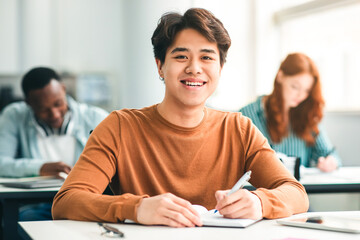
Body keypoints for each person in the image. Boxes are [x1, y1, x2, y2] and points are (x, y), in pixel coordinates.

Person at [52, 8, 308, 227]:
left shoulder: (239, 128)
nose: (194, 68)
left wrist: (259, 202)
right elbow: (66, 201)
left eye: (207, 57)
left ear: (220, 68)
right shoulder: (119, 126)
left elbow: (296, 194)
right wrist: (137, 208)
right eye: (181, 56)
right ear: (160, 65)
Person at [0, 67, 109, 220]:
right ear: (28, 103)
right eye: (43, 109)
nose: (55, 114)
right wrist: (40, 167)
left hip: (86, 202)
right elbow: (2, 162)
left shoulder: (96, 117)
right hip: (39, 204)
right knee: (26, 219)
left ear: (63, 90)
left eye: (58, 104)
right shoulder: (14, 116)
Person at [240, 53, 341, 172]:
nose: (300, 95)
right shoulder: (247, 115)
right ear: (280, 76)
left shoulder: (308, 115)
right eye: (295, 87)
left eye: (307, 91)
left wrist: (330, 162)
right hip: (257, 189)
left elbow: (331, 155)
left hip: (297, 189)